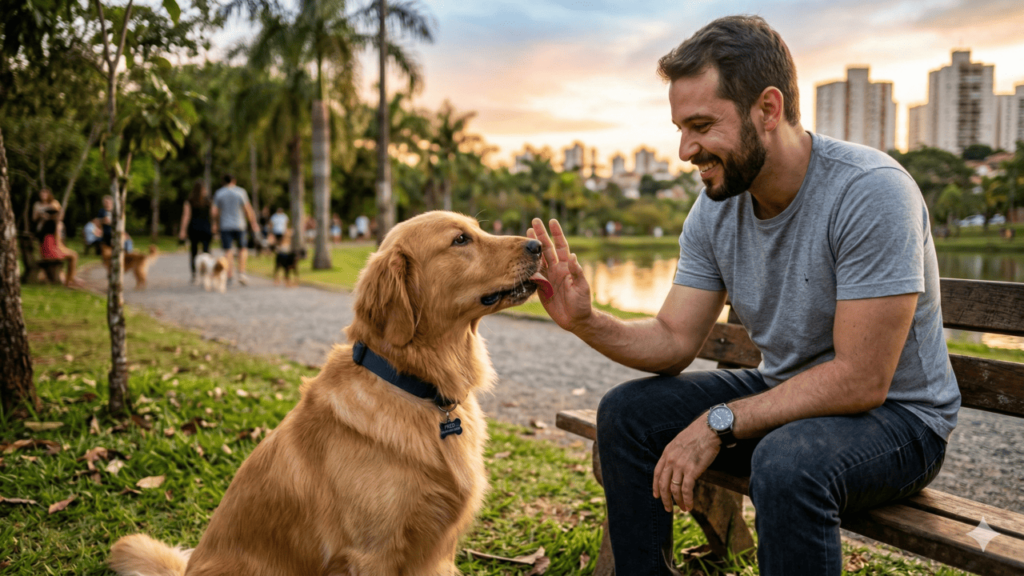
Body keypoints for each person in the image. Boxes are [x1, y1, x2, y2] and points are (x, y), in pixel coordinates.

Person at [527, 16, 958, 576]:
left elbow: (861, 379)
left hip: (899, 420)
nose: (686, 149)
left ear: (768, 109)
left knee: (787, 465)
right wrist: (587, 321)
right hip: (786, 395)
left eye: (702, 125)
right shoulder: (715, 208)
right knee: (627, 414)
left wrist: (718, 422)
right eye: (681, 127)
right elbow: (674, 339)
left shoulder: (869, 191)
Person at [211, 173, 261, 286]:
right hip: (240, 225)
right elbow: (248, 209)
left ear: (223, 181)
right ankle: (242, 273)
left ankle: (229, 275)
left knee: (228, 251)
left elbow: (214, 211)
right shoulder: (241, 192)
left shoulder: (219, 193)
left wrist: (214, 224)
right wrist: (253, 223)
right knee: (243, 249)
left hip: (225, 226)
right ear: (234, 180)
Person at [33, 189, 81, 286]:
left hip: (50, 246)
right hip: (51, 250)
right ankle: (69, 281)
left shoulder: (52, 226)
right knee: (73, 256)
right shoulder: (51, 228)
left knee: (72, 255)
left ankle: (70, 279)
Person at [179, 180, 214, 284]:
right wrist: (215, 226)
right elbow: (213, 215)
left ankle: (194, 275)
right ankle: (207, 273)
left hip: (194, 229)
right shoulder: (209, 201)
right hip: (206, 229)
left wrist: (182, 230)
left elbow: (186, 216)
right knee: (207, 253)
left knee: (194, 252)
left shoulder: (189, 201)